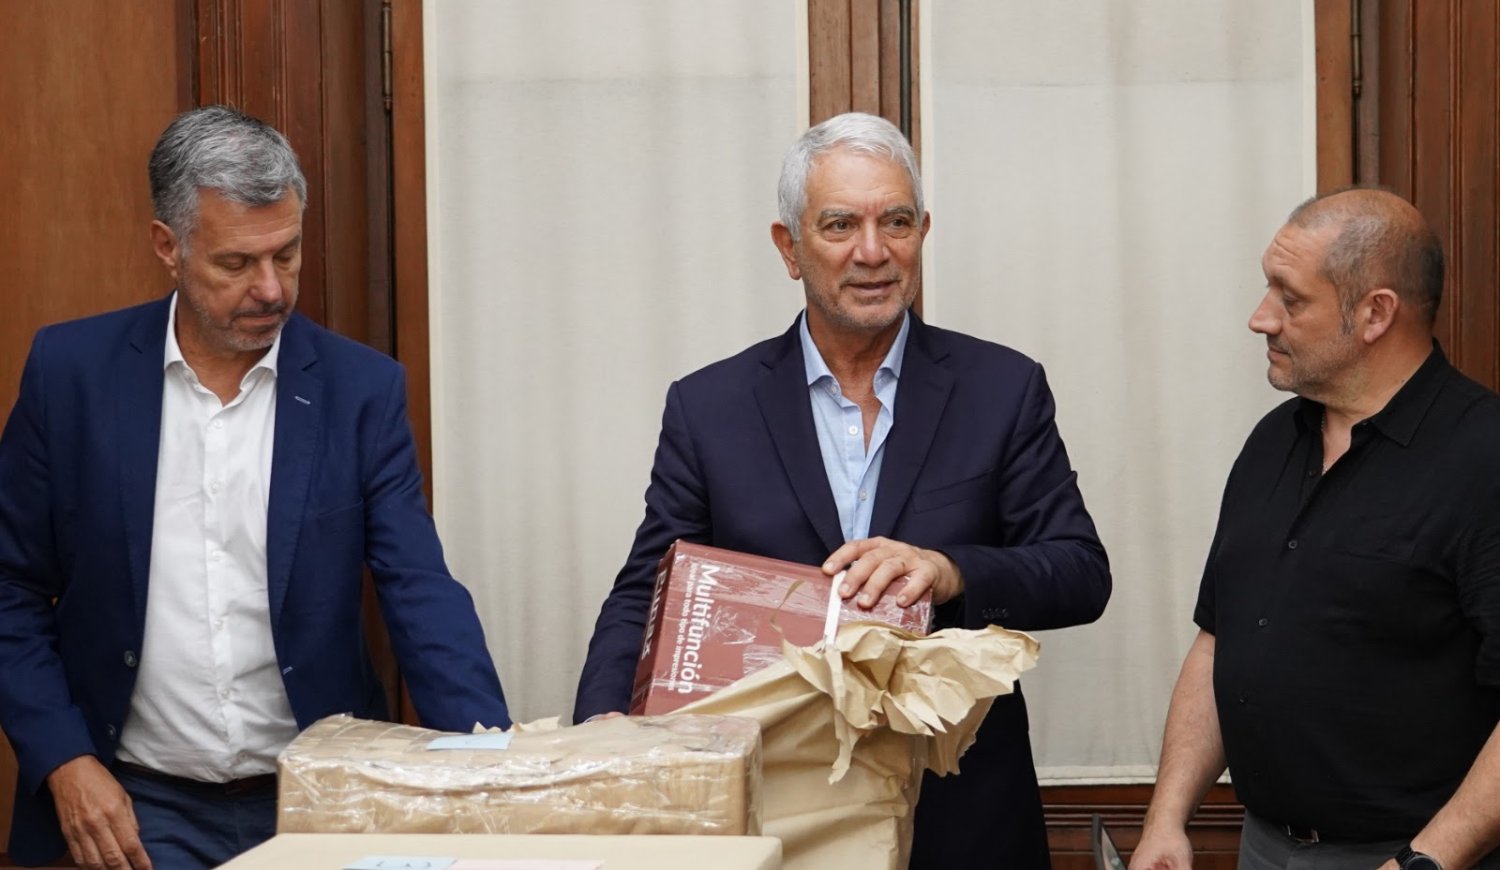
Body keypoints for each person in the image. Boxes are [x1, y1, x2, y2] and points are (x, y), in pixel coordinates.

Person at [573, 111, 1111, 868]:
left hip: (961, 813)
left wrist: (950, 571)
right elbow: (646, 594)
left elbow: (1081, 572)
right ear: (788, 247)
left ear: (923, 231)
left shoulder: (1002, 388)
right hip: (774, 809)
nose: (872, 252)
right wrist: (604, 733)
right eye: (839, 225)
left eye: (896, 222)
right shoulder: (711, 407)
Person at [0, 105, 510, 869]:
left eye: (287, 254)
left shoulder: (359, 391)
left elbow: (419, 589)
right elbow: (9, 586)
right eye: (236, 263)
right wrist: (64, 759)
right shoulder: (72, 375)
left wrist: (490, 767)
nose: (271, 289)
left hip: (318, 800)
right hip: (136, 807)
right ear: (168, 246)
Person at [1130, 188, 1500, 870]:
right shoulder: (1273, 440)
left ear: (1375, 313)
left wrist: (1422, 863)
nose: (1260, 318)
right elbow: (1219, 642)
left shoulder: (1484, 458)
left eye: (1291, 299)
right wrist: (1166, 818)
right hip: (1263, 845)